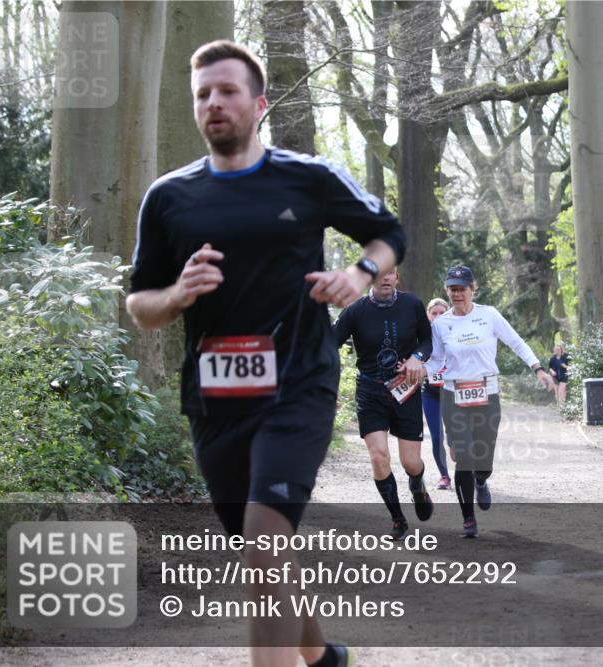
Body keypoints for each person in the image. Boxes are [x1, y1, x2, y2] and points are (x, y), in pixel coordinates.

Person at [125, 40, 399, 667]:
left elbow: (390, 234)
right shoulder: (168, 197)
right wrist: (178, 294)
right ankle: (325, 655)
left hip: (297, 386)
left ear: (259, 103)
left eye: (226, 91)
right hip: (216, 399)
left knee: (264, 540)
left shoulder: (308, 177)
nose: (213, 103)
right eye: (202, 94)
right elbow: (141, 304)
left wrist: (357, 275)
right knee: (264, 551)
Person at [427, 266, 555, 538]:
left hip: (487, 392)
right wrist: (416, 372)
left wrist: (538, 368)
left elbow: (516, 342)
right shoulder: (441, 324)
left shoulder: (489, 315)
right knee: (463, 456)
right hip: (453, 394)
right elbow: (437, 360)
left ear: (473, 289)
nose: (457, 294)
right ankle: (468, 519)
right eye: (452, 289)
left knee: (483, 459)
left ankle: (482, 479)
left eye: (462, 288)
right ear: (447, 291)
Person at [332, 268, 434, 540]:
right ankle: (398, 520)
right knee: (378, 457)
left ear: (397, 278)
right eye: (381, 274)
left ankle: (417, 483)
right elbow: (329, 343)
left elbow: (427, 340)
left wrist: (417, 358)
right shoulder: (355, 311)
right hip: (370, 391)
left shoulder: (411, 304)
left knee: (410, 462)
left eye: (392, 274)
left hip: (405, 389)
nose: (386, 278)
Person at [422, 298, 451, 490]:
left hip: (454, 392)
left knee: (458, 435)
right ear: (428, 315)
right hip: (430, 393)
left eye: (442, 313)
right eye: (434, 313)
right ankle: (444, 476)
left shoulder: (456, 333)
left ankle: (470, 473)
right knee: (436, 436)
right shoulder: (422, 336)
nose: (438, 317)